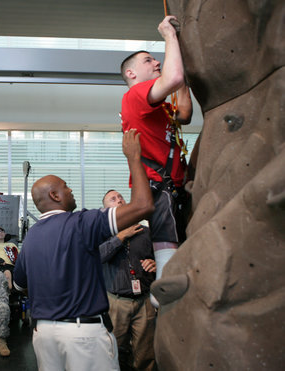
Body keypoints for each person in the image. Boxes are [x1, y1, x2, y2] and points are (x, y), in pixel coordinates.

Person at [13, 129, 154, 371]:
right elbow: (143, 205)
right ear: (55, 195)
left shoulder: (31, 236)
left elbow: (19, 285)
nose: (71, 191)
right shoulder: (82, 222)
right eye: (66, 187)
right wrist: (133, 157)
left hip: (44, 336)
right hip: (83, 336)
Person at [119, 15, 193, 293]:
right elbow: (172, 77)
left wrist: (182, 79)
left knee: (176, 230)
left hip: (172, 182)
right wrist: (168, 36)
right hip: (156, 181)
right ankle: (163, 287)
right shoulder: (136, 94)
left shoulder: (158, 106)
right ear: (132, 73)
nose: (156, 62)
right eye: (148, 60)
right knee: (167, 235)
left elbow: (184, 114)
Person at [100, 190, 157, 371]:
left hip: (145, 301)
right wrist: (121, 236)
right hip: (116, 302)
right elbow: (98, 256)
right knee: (114, 351)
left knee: (146, 352)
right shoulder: (103, 234)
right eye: (113, 199)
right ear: (106, 209)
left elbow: (162, 258)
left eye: (121, 197)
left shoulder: (147, 232)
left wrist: (155, 263)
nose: (119, 200)